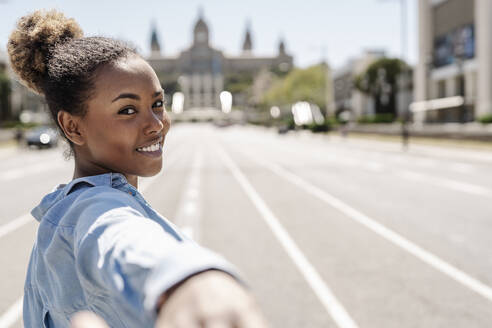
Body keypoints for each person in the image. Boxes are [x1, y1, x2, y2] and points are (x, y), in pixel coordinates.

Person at [8, 10, 268, 328]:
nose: (155, 124)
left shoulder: (60, 213)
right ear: (72, 126)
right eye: (128, 109)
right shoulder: (90, 209)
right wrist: (188, 282)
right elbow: (117, 235)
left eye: (158, 104)